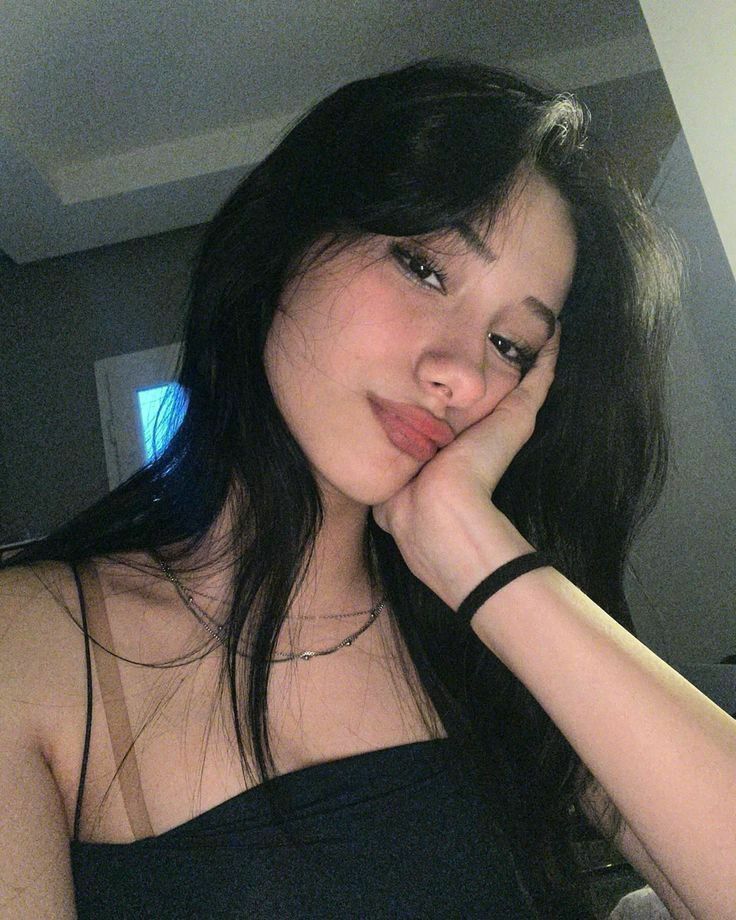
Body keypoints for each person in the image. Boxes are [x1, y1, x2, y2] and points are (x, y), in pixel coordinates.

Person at [0, 58, 733, 920]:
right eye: (424, 268)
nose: (462, 373)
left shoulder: (487, 640)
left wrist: (473, 550)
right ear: (287, 240)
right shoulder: (32, 643)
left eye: (510, 346)